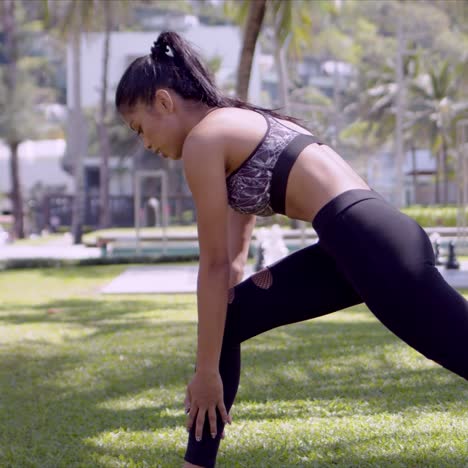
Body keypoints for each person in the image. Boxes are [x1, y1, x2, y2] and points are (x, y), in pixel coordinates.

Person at [115, 31, 468, 468]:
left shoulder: (203, 142)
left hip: (367, 242)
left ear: (164, 102)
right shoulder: (237, 121)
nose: (145, 144)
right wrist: (228, 305)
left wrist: (207, 374)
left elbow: (213, 263)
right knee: (233, 314)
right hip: (359, 240)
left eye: (140, 128)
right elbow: (233, 255)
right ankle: (197, 462)